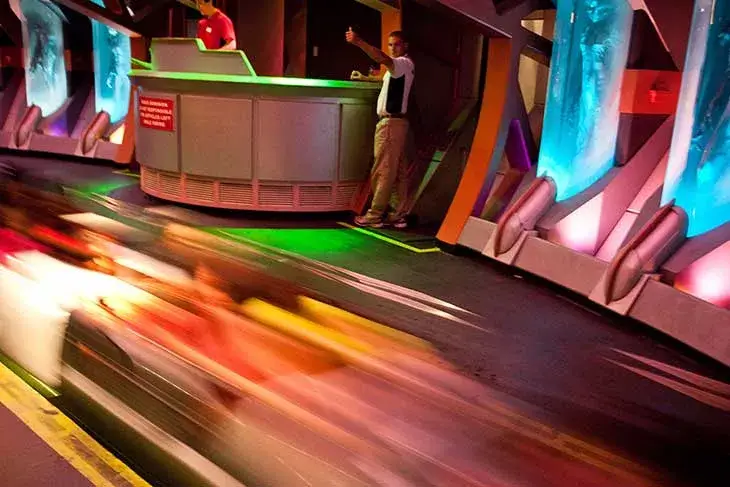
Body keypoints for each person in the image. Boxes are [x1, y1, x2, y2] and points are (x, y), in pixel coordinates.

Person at [346, 28, 415, 228]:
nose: (393, 48)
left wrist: (358, 41)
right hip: (398, 124)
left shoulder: (401, 63)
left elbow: (382, 58)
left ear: (405, 46)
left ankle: (374, 215)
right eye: (390, 44)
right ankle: (397, 214)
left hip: (390, 125)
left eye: (397, 44)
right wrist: (365, 78)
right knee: (397, 172)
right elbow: (387, 79)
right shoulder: (403, 67)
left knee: (383, 170)